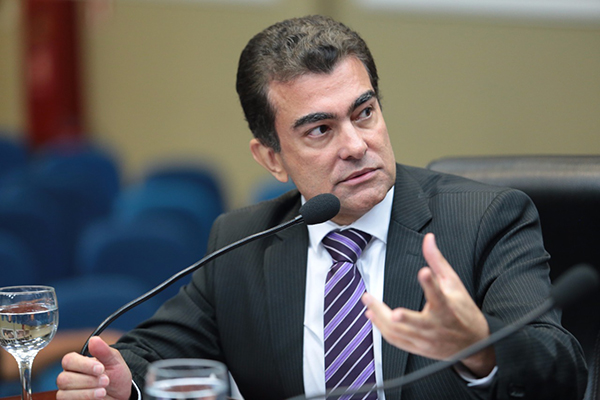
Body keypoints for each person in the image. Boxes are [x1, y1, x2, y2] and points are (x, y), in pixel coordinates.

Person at [56, 15, 587, 400]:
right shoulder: (242, 243)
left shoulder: (485, 219)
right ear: (272, 158)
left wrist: (481, 347)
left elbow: (561, 370)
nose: (355, 145)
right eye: (320, 130)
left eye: (364, 113)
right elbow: (150, 353)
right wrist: (120, 383)